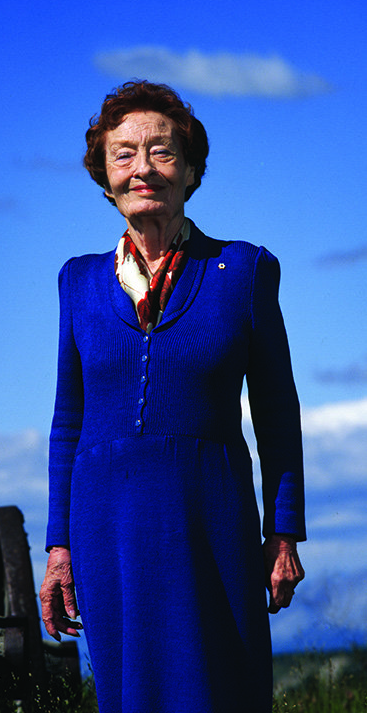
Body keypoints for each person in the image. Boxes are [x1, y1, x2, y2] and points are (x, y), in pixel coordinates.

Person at [40, 80, 306, 713]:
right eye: (124, 153)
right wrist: (58, 548)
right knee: (127, 692)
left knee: (220, 687)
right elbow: (66, 423)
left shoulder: (242, 270)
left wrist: (285, 531)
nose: (143, 169)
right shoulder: (77, 281)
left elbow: (276, 411)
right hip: (105, 526)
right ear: (104, 175)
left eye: (162, 152)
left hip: (209, 520)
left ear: (190, 170)